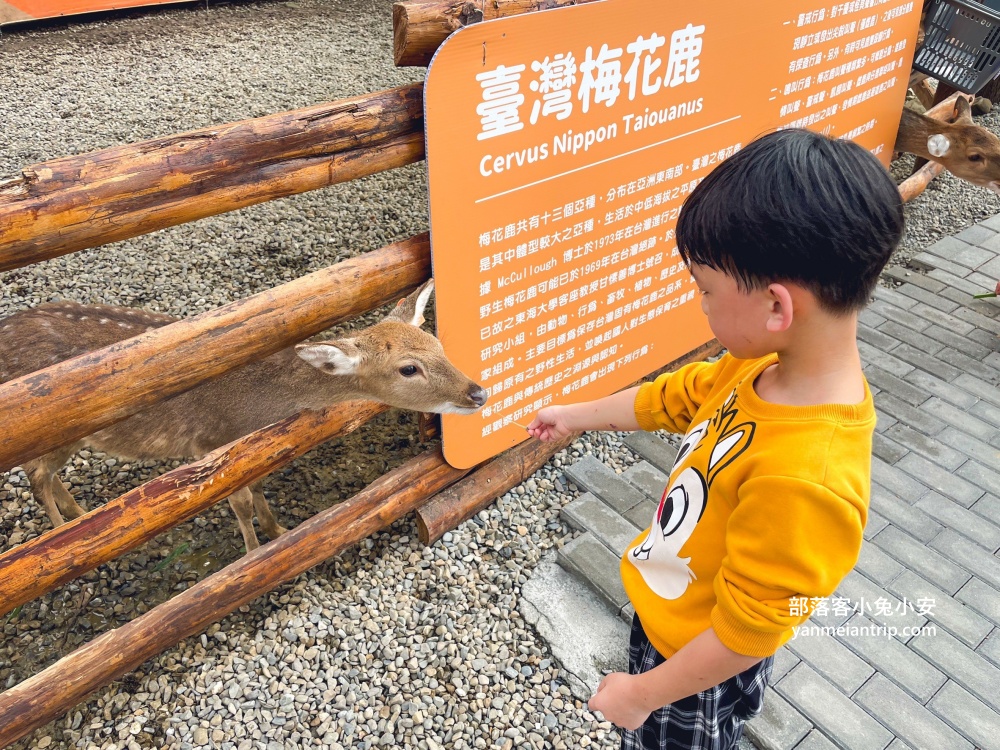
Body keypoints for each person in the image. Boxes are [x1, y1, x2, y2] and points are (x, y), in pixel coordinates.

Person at [526, 128, 904, 749]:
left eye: (706, 288)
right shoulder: (760, 365)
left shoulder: (807, 475)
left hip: (697, 669)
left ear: (777, 307)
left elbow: (748, 632)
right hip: (674, 623)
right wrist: (577, 415)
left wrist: (642, 695)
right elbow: (672, 398)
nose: (701, 303)